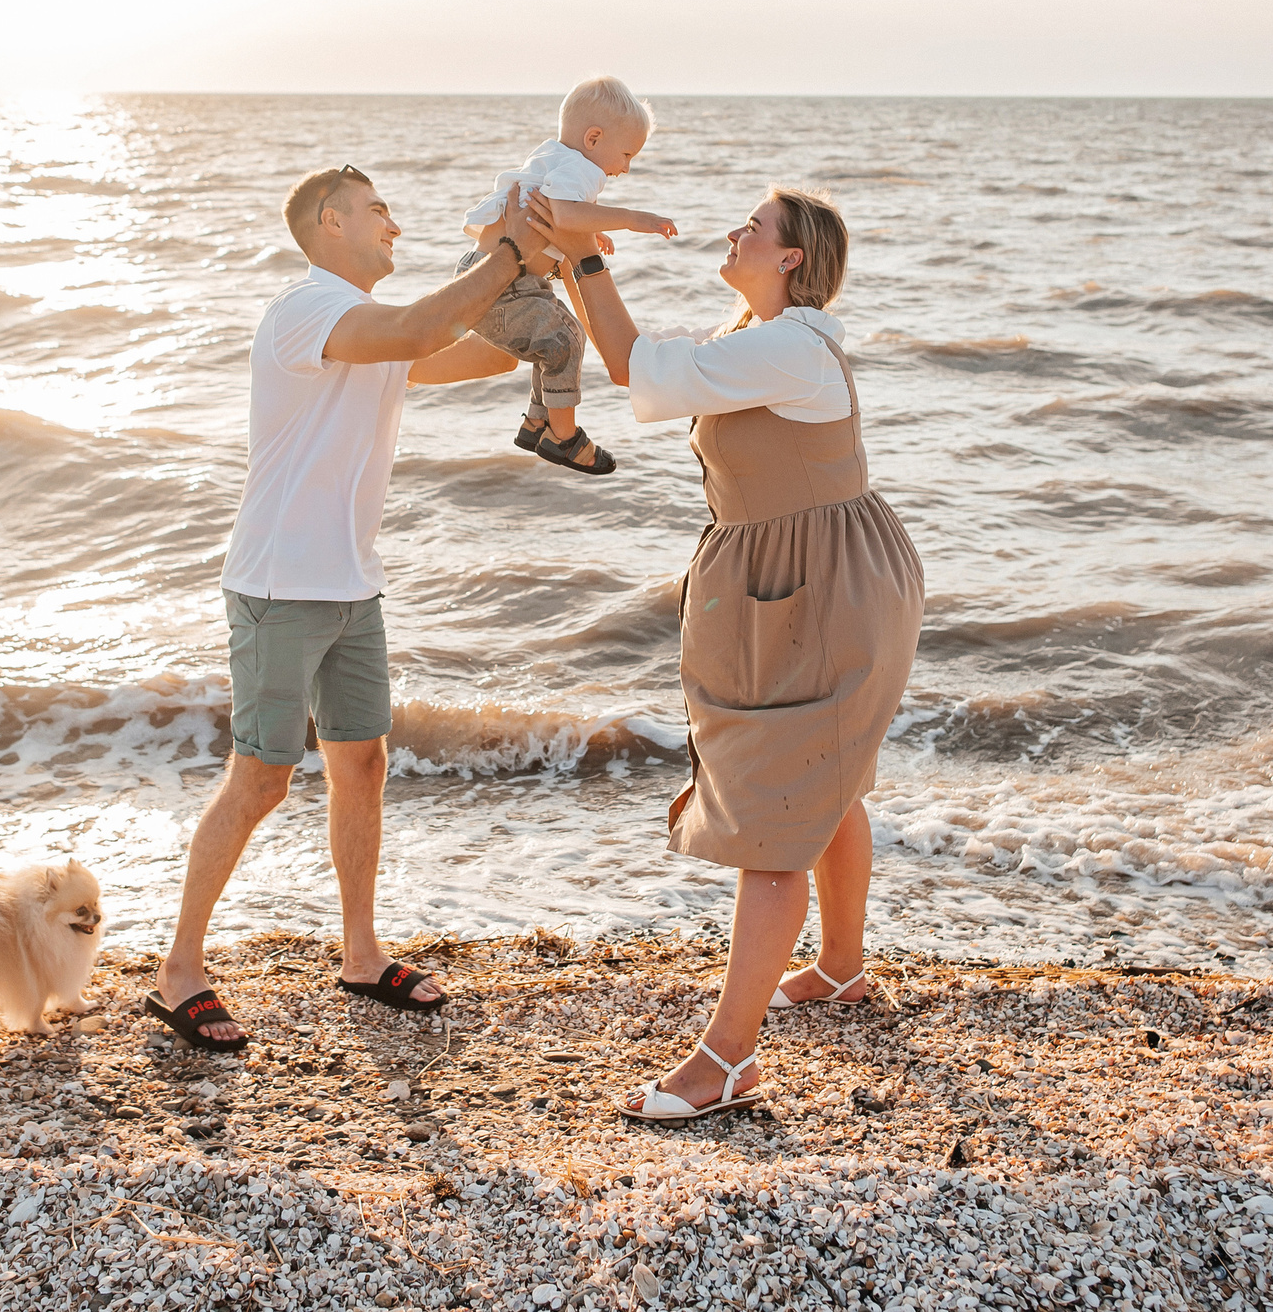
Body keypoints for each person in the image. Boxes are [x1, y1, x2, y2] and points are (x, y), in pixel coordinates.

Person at [544, 185, 924, 1122]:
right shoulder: (764, 336)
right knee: (826, 782)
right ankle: (839, 970)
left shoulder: (793, 346)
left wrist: (584, 252)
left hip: (823, 589)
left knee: (774, 817)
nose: (735, 233)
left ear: (791, 258)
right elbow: (649, 366)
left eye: (753, 227)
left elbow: (635, 365)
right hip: (806, 579)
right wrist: (567, 261)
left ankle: (725, 1059)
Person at [144, 166, 540, 1053]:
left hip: (354, 585)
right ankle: (179, 972)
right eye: (377, 210)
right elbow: (420, 326)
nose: (394, 224)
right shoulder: (305, 311)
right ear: (330, 223)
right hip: (281, 585)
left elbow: (486, 349)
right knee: (263, 779)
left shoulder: (375, 334)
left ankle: (361, 955)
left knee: (363, 765)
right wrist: (506, 251)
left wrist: (554, 270)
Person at [454, 76, 679, 476]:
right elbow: (566, 215)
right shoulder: (583, 170)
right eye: (626, 154)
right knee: (563, 343)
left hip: (488, 276)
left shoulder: (552, 157)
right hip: (503, 288)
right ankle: (562, 437)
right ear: (593, 138)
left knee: (565, 334)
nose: (625, 168)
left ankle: (535, 422)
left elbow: (560, 210)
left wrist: (594, 231)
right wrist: (633, 219)